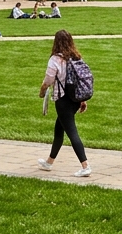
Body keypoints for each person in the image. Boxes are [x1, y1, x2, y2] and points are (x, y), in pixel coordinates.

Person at [37, 30, 91, 177]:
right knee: (59, 130)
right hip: (74, 99)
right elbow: (80, 81)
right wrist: (82, 100)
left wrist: (42, 91)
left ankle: (85, 165)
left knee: (72, 132)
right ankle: (49, 162)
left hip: (62, 100)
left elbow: (48, 80)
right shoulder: (76, 57)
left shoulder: (55, 59)